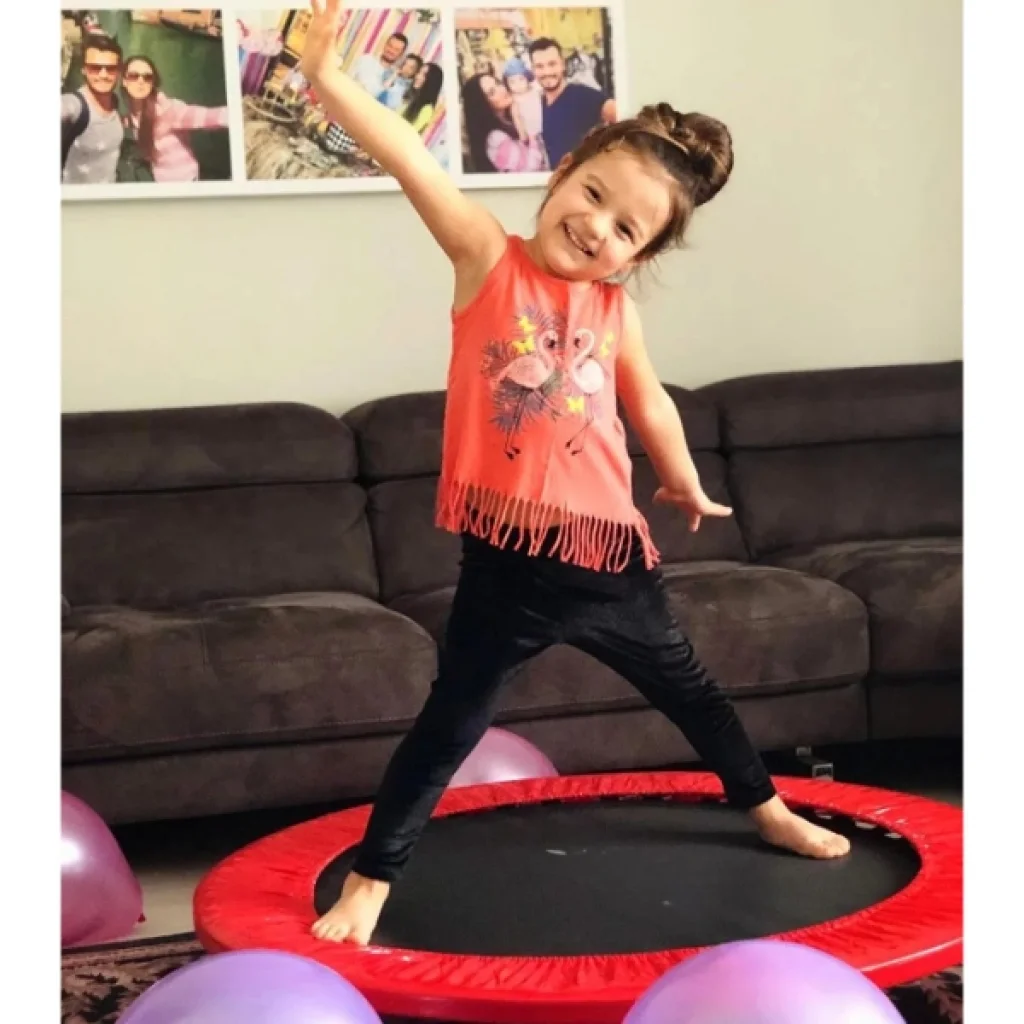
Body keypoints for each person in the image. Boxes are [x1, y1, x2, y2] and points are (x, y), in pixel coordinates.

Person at [298, 0, 851, 948]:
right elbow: (412, 160)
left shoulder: (613, 311)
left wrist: (680, 479)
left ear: (640, 255)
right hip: (506, 563)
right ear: (560, 175)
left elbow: (652, 403)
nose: (597, 229)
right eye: (592, 195)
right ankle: (373, 880)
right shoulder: (486, 260)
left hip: (608, 563)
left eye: (627, 229)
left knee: (695, 696)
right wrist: (327, 77)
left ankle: (767, 808)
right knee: (449, 726)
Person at [119, 55, 229, 182]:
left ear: (153, 83)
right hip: (159, 181)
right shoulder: (130, 118)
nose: (141, 81)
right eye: (134, 76)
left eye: (147, 77)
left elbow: (212, 116)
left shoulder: (168, 110)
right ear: (124, 81)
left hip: (185, 180)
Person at [529, 36, 616, 166]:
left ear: (563, 64)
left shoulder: (582, 95)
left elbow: (623, 115)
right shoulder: (538, 104)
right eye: (539, 66)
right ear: (533, 70)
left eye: (552, 64)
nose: (547, 72)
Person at [61, 33, 124, 184]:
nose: (103, 75)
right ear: (83, 69)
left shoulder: (114, 100)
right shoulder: (75, 105)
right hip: (78, 197)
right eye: (95, 68)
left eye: (111, 68)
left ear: (119, 71)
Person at [461, 72, 546, 174]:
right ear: (482, 104)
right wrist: (533, 135)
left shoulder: (511, 118)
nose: (501, 90)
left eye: (498, 83)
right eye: (492, 92)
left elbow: (525, 147)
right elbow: (530, 170)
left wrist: (517, 118)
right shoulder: (495, 139)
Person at [351, 30, 407, 102]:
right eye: (390, 46)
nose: (391, 50)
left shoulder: (395, 77)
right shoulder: (366, 60)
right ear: (385, 45)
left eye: (396, 50)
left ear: (401, 54)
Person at [503, 55, 544, 148]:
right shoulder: (514, 101)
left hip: (547, 126)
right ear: (507, 84)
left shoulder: (536, 91)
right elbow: (517, 119)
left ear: (527, 79)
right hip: (533, 135)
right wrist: (523, 136)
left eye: (521, 79)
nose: (517, 84)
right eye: (512, 82)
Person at [402, 61, 443, 136]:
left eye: (424, 75)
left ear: (432, 81)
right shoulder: (409, 96)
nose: (417, 77)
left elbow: (409, 134)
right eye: (419, 72)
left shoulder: (427, 109)